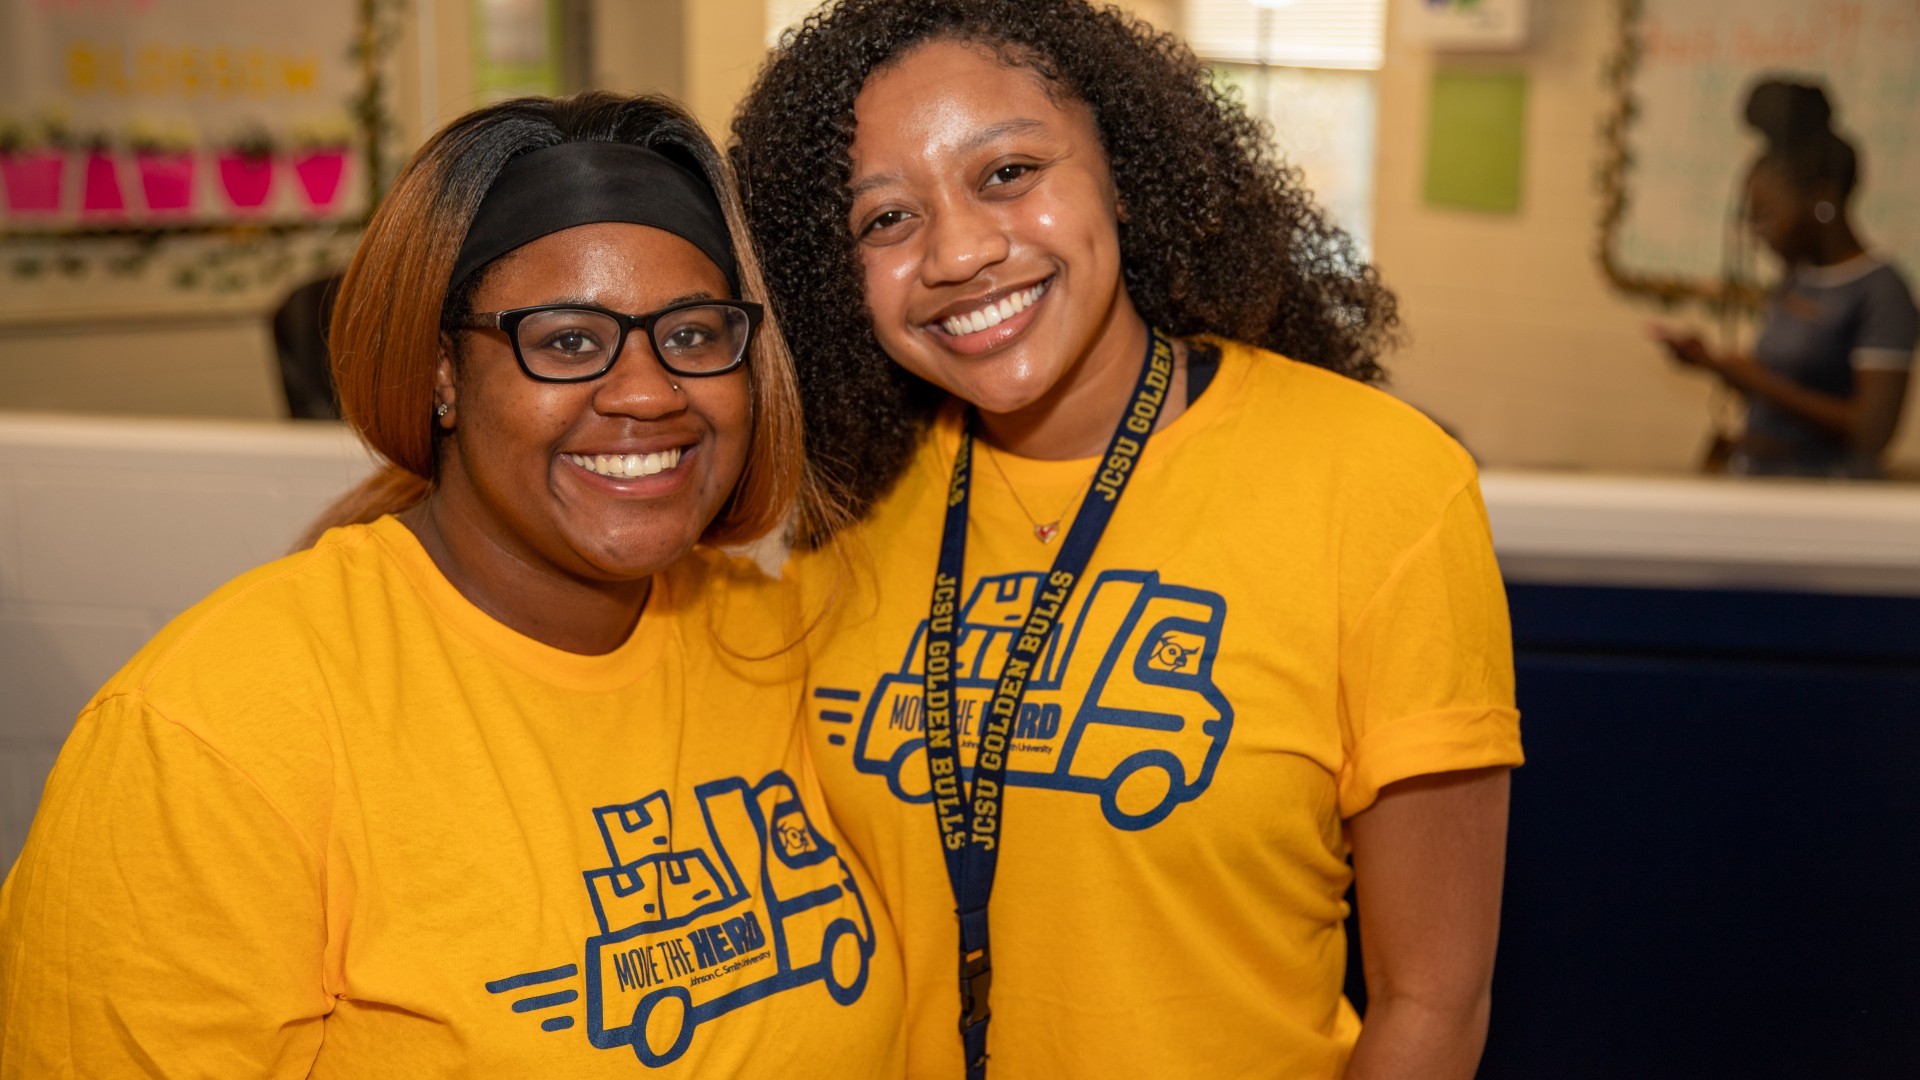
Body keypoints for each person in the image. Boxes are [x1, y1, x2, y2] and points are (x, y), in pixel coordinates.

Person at [0, 93, 901, 1077]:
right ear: (441, 372)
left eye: (691, 334)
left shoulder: (795, 646)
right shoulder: (208, 740)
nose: (647, 391)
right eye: (565, 341)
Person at [732, 3, 1522, 1078]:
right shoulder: (840, 502)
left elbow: (1432, 1002)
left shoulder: (1380, 482)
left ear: (1124, 164)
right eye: (885, 221)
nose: (959, 251)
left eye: (1007, 172)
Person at [1655, 79, 1918, 478]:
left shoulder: (1882, 292)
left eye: (1766, 216)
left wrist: (1758, 382)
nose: (1758, 234)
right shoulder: (1799, 277)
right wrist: (1713, 363)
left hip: (1824, 498)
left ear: (1824, 202)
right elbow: (1782, 387)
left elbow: (1871, 431)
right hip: (1756, 474)